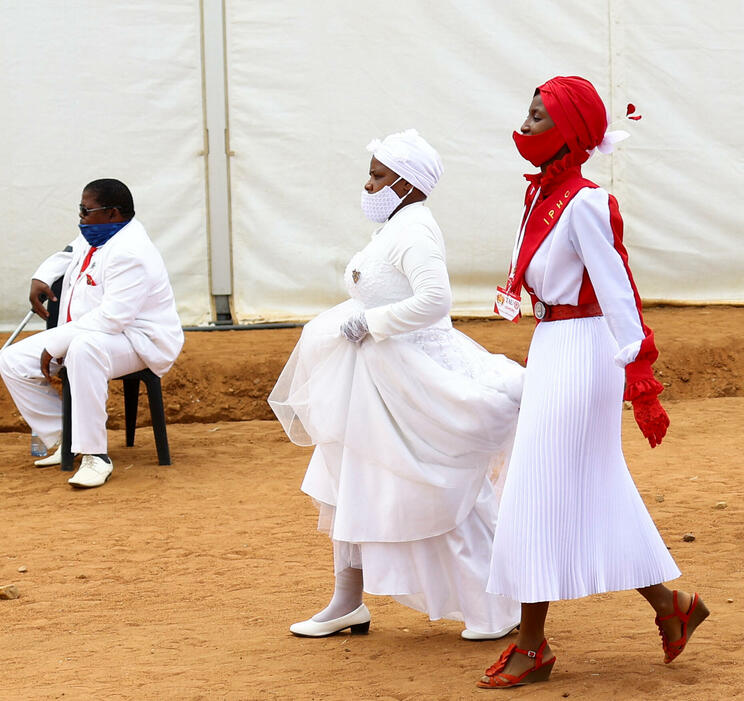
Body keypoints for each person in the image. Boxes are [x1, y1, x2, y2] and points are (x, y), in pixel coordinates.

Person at [477, 77, 708, 689]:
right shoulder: (541, 196)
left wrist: (640, 374)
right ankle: (673, 607)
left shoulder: (583, 202)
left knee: (534, 492)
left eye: (537, 115)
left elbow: (617, 287)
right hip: (552, 345)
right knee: (586, 492)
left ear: (569, 132)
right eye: (526, 113)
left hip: (585, 354)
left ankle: (532, 645)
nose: (524, 126)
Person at [269, 129, 524, 641]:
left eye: (379, 176)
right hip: (376, 379)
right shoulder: (393, 226)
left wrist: (373, 323)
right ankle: (347, 602)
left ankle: (494, 605)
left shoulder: (413, 230)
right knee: (350, 480)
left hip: (412, 377)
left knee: (433, 489)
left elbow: (435, 301)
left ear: (407, 183)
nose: (368, 184)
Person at [0, 178, 183, 488]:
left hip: (139, 339)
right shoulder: (98, 234)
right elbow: (69, 252)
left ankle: (95, 456)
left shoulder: (130, 251)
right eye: (80, 210)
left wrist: (57, 342)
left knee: (84, 348)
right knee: (13, 361)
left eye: (86, 210)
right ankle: (63, 437)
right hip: (91, 331)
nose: (81, 218)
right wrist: (42, 277)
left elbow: (114, 318)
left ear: (112, 213)